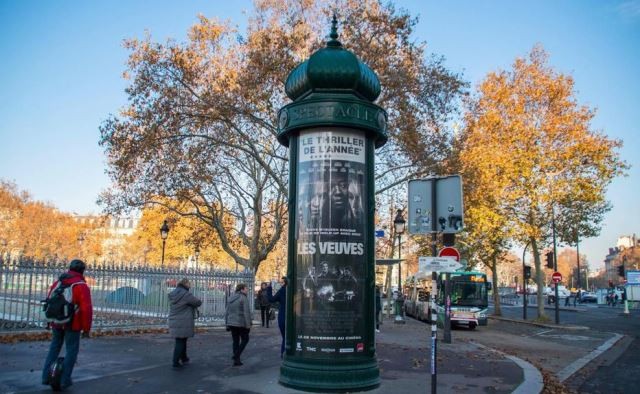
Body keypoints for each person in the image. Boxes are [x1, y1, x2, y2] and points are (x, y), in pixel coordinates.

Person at [41, 259, 93, 390]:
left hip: (57, 322)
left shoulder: (58, 282)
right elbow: (86, 309)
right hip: (73, 323)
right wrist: (86, 329)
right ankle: (64, 379)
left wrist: (50, 321)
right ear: (82, 271)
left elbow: (50, 302)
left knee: (54, 348)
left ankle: (45, 377)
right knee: (71, 350)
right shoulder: (81, 286)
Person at [168, 278, 202, 369]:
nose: (190, 285)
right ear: (186, 284)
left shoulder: (175, 293)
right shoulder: (185, 294)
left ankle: (184, 358)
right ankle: (175, 362)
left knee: (182, 340)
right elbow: (198, 302)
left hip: (175, 319)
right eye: (189, 283)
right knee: (180, 341)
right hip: (183, 320)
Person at [225, 283, 252, 366]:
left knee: (235, 341)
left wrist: (227, 323)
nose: (247, 290)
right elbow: (246, 313)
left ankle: (237, 360)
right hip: (241, 323)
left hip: (232, 323)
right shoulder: (243, 298)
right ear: (242, 289)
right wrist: (248, 325)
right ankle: (236, 355)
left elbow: (227, 312)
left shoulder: (231, 298)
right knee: (245, 339)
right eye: (246, 288)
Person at [267, 276, 287, 358]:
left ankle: (283, 352)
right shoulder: (293, 290)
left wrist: (269, 288)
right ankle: (284, 352)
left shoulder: (282, 290)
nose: (280, 284)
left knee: (284, 336)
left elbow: (271, 299)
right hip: (292, 316)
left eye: (282, 282)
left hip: (283, 315)